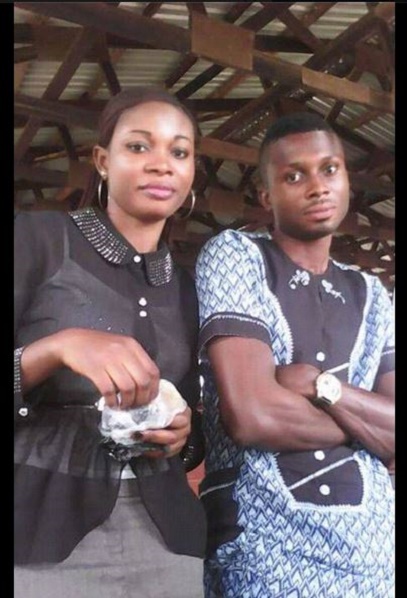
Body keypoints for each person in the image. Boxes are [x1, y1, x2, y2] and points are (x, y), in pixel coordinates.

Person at [14, 87, 207, 598]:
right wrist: (57, 348)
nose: (161, 164)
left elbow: (193, 435)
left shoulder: (187, 289)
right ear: (102, 161)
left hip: (166, 541)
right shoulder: (38, 240)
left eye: (179, 152)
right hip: (38, 536)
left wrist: (182, 435)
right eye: (139, 147)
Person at [195, 112, 395, 597]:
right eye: (294, 176)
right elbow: (253, 416)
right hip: (264, 551)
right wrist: (368, 428)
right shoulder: (238, 256)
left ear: (347, 180)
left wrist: (320, 387)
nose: (317, 187)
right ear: (266, 196)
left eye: (330, 169)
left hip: (374, 553)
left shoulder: (371, 293)